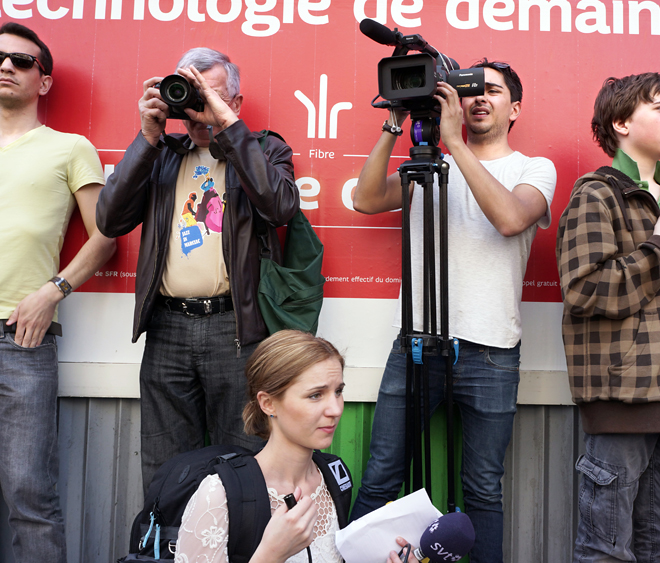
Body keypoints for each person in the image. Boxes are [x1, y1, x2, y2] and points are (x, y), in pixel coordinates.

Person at [350, 58, 557, 563]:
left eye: (494, 91)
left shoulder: (533, 169)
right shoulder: (427, 166)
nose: (480, 97)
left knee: (482, 488)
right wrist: (392, 125)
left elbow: (510, 219)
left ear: (515, 108)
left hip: (492, 351)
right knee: (381, 476)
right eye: (470, 90)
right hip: (417, 344)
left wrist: (455, 143)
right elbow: (365, 198)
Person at [96, 48, 299, 489]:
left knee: (243, 461)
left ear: (236, 103)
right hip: (167, 328)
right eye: (192, 96)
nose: (199, 109)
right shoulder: (163, 153)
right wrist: (148, 135)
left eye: (212, 95)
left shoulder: (264, 149)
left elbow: (279, 206)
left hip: (237, 329)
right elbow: (109, 220)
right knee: (166, 466)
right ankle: (164, 554)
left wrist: (226, 127)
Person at [556, 72, 660, 562]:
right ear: (622, 122)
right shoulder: (598, 193)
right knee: (605, 552)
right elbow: (586, 289)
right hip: (623, 398)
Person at [0, 22, 116, 563]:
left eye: (22, 62)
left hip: (19, 341)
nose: (6, 67)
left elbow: (106, 238)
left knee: (30, 496)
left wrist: (54, 290)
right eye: (0, 59)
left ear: (43, 81)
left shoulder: (69, 148)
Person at [175, 330, 421, 563]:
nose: (335, 410)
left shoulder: (334, 477)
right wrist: (271, 554)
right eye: (315, 395)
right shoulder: (219, 495)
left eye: (338, 391)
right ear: (268, 403)